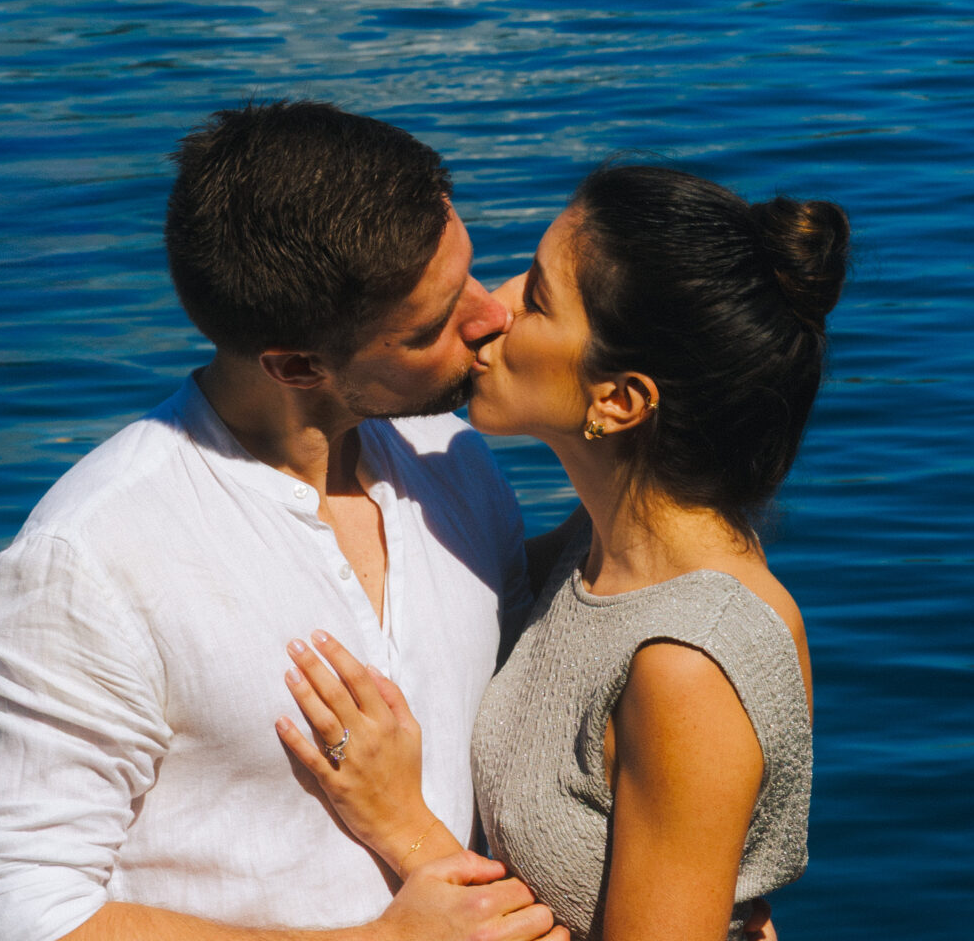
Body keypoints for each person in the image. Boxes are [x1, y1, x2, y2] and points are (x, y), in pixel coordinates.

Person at [0, 101, 565, 941]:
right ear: (296, 365)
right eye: (430, 327)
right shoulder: (90, 560)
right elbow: (26, 916)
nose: (489, 315)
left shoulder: (449, 457)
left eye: (467, 270)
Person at [274, 165, 848, 941]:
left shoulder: (687, 662)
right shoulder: (595, 553)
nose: (491, 309)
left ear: (618, 400)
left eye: (537, 300)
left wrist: (403, 826)